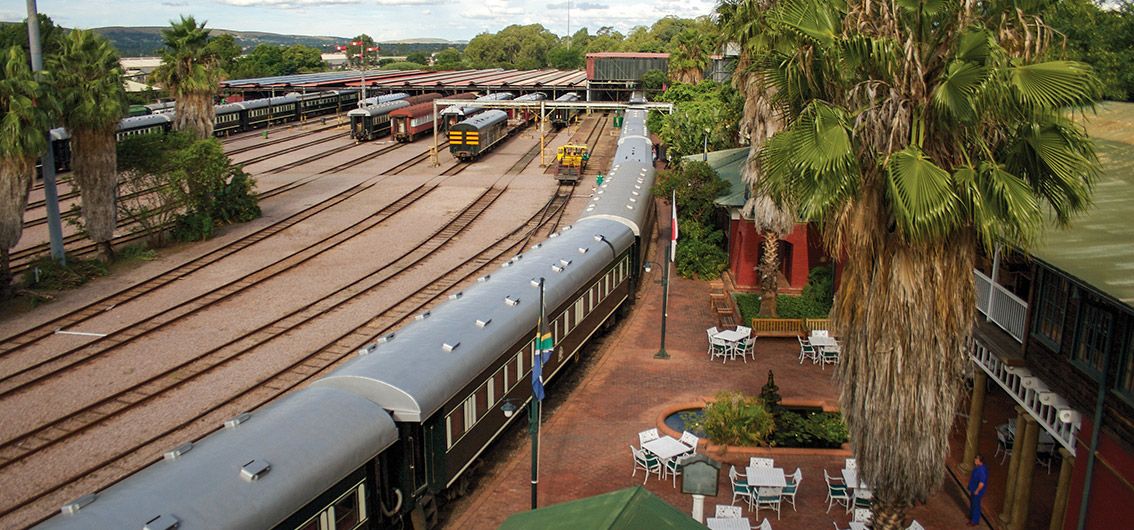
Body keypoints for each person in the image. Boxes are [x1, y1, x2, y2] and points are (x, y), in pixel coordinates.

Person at [968, 454, 987, 526]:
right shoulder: (978, 467)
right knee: (973, 503)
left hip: (977, 491)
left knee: (976, 505)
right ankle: (972, 516)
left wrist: (977, 491)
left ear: (980, 461)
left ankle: (974, 521)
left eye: (976, 460)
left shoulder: (981, 471)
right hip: (974, 489)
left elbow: (981, 483)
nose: (975, 460)